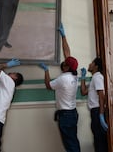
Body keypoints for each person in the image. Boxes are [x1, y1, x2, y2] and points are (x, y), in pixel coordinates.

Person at [38, 23, 81, 152]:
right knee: (73, 141)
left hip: (66, 116)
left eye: (65, 63)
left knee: (70, 145)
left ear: (67, 67)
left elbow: (48, 86)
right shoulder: (74, 75)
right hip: (72, 114)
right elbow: (67, 53)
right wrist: (63, 36)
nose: (63, 62)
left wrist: (46, 70)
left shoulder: (63, 79)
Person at [80, 57, 108, 152]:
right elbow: (83, 92)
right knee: (97, 138)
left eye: (91, 63)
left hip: (97, 111)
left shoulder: (98, 77)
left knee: (99, 140)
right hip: (95, 111)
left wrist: (101, 115)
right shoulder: (94, 78)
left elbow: (101, 96)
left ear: (96, 66)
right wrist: (83, 78)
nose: (89, 64)